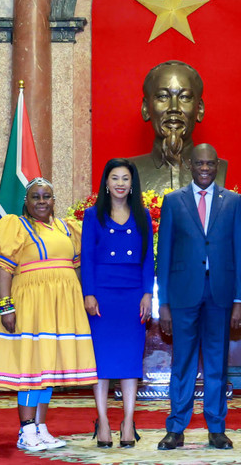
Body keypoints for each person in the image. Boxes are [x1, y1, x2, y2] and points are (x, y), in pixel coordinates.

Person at [0, 177, 98, 452]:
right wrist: (6, 306)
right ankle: (26, 431)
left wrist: (83, 298)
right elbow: (3, 269)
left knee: (47, 369)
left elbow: (77, 268)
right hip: (30, 305)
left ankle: (40, 427)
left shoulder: (67, 228)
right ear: (25, 201)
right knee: (31, 367)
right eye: (35, 197)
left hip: (61, 306)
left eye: (46, 196)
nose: (41, 202)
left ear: (53, 201)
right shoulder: (17, 227)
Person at [155, 143, 241, 450]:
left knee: (217, 365)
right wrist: (163, 303)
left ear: (216, 165)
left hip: (220, 296)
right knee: (181, 363)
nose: (205, 168)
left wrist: (240, 300)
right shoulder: (173, 201)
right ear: (190, 166)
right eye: (199, 164)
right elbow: (164, 256)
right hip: (182, 296)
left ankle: (217, 428)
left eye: (210, 163)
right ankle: (176, 428)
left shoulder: (233, 202)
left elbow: (240, 253)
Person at [82, 158, 154, 448]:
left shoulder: (143, 215)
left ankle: (127, 421)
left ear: (132, 184)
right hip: (102, 295)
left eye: (126, 178)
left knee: (129, 360)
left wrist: (148, 293)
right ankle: (103, 421)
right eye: (115, 178)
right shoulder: (93, 215)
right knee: (101, 362)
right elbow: (86, 256)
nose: (121, 184)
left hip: (133, 293)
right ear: (106, 183)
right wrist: (89, 293)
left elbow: (148, 258)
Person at [129, 60, 228, 192]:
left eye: (185, 97)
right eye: (163, 96)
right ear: (146, 108)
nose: (174, 108)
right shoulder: (127, 172)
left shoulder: (218, 169)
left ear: (199, 109)